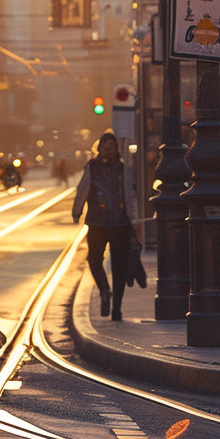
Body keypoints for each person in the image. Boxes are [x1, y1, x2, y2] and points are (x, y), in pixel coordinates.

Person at [72, 131, 136, 321]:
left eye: (112, 147)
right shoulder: (93, 167)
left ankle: (116, 307)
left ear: (116, 149)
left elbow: (127, 194)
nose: (109, 151)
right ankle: (105, 291)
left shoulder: (122, 168)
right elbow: (83, 188)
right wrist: (77, 211)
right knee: (94, 260)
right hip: (99, 223)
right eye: (105, 147)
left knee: (119, 267)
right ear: (99, 149)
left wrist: (133, 219)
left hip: (118, 223)